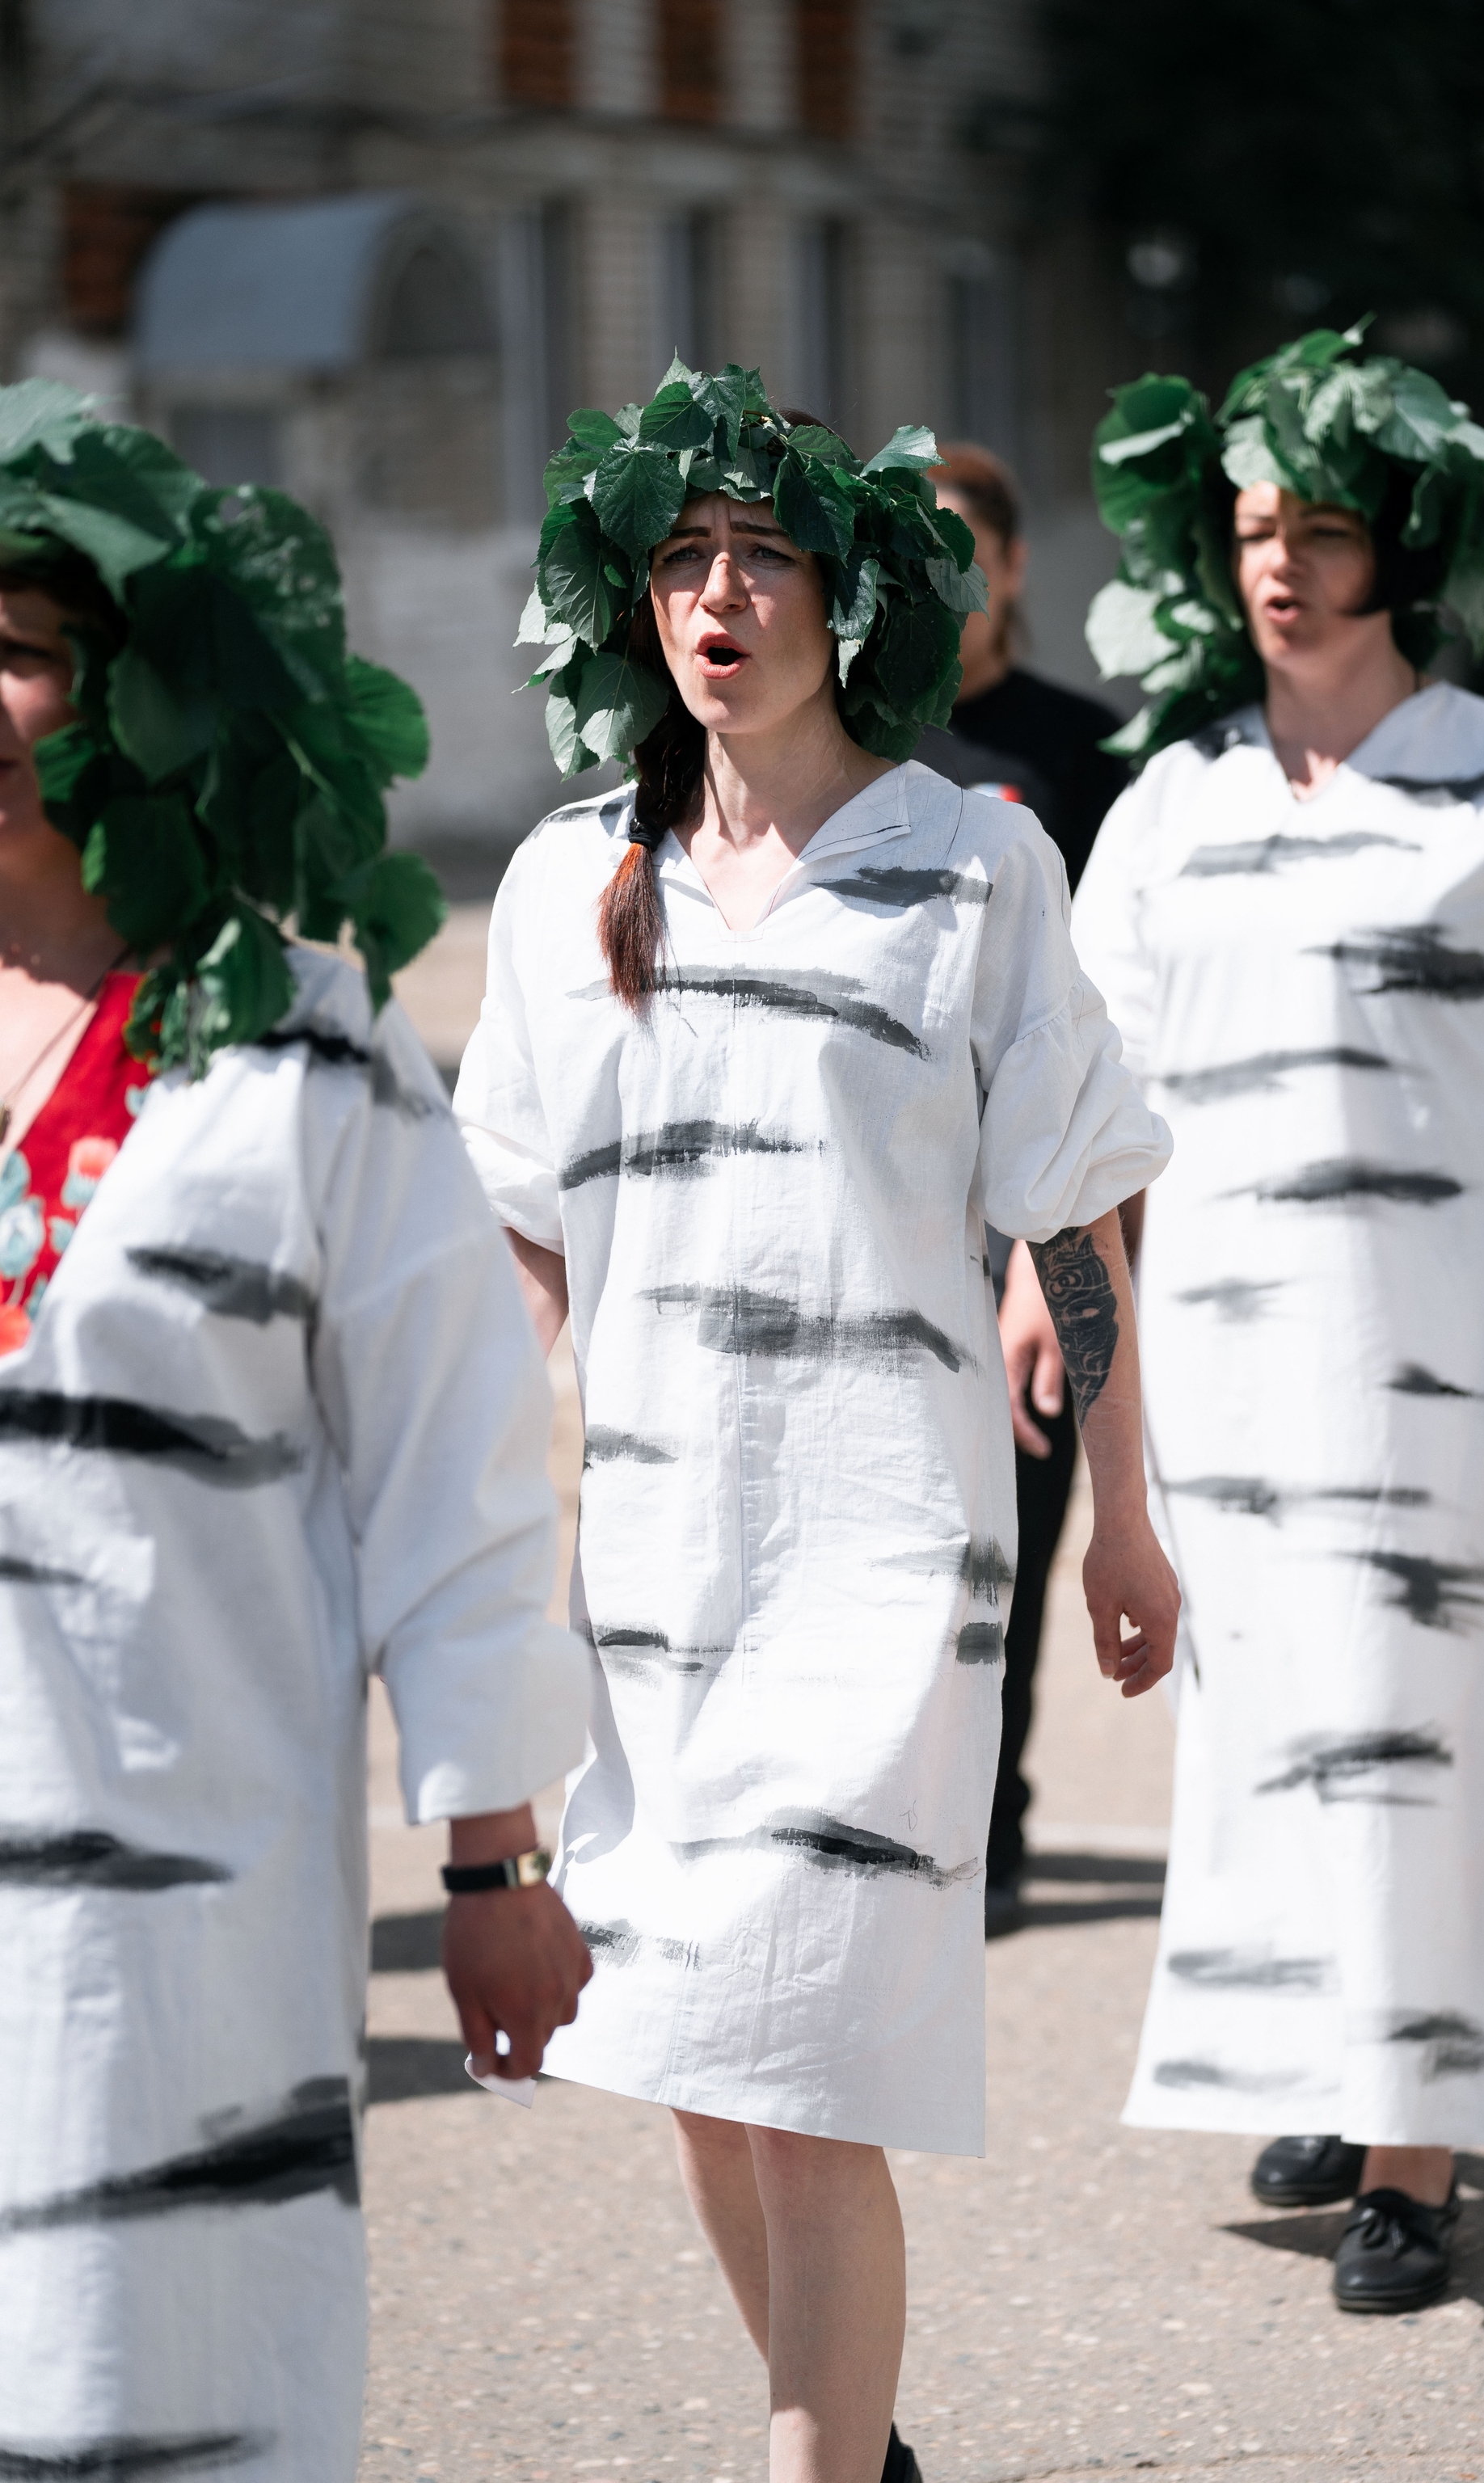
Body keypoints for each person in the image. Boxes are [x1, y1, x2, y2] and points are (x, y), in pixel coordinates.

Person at [457, 362, 1178, 2482]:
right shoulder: (558, 887)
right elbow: (516, 1267)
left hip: (881, 1579)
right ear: (631, 603)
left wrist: (1122, 1514)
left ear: (846, 595)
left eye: (763, 552)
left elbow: (1071, 1219)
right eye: (680, 556)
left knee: (810, 2073)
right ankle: (860, 2445)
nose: (719, 595)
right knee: (698, 2057)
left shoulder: (972, 869)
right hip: (659, 1590)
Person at [0, 384, 592, 2480]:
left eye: (24, 642)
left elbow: (455, 1463)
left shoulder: (302, 1047)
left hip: (189, 1907)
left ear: (137, 688)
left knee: (165, 2379)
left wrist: (497, 1853)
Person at [1070, 326, 1484, 2315]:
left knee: (1429, 1726)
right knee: (1274, 1731)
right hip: (1231, 1366)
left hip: (1455, 1356)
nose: (1280, 565)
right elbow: (1093, 1113)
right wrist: (1058, 1302)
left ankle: (1414, 2146)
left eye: (1320, 528)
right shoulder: (1167, 805)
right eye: (1250, 528)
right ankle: (1326, 2062)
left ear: (1397, 550)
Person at [922, 442, 1133, 1927]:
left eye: (961, 549)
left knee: (1028, 1516)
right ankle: (929, 1821)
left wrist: (1057, 1242)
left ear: (1008, 566)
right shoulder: (860, 748)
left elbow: (1117, 1008)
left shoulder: (1088, 750)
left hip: (1050, 1205)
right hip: (902, 1204)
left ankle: (992, 1827)